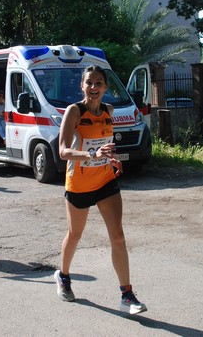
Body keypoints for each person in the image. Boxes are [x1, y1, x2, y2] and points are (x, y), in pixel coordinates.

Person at [54, 65, 147, 315]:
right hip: (79, 184)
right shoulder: (74, 111)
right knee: (75, 234)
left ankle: (126, 295)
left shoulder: (109, 110)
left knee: (118, 236)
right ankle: (63, 276)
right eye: (89, 83)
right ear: (82, 86)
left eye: (99, 83)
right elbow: (63, 151)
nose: (94, 88)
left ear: (106, 87)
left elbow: (103, 143)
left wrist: (110, 157)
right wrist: (91, 154)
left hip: (105, 180)